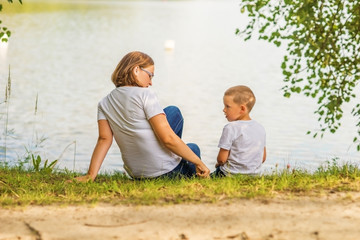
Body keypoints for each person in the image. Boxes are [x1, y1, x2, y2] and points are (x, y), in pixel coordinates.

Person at [75, 51, 210, 181]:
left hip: (137, 174)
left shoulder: (104, 103)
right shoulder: (146, 95)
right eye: (150, 75)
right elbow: (168, 139)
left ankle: (171, 157)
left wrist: (90, 175)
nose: (151, 82)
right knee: (192, 147)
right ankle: (179, 165)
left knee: (172, 112)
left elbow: (104, 139)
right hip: (166, 173)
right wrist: (199, 162)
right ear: (136, 70)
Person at [211, 85, 266, 177]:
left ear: (242, 109)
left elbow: (221, 159)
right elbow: (262, 158)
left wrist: (218, 164)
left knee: (205, 177)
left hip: (229, 174)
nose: (224, 110)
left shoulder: (230, 128)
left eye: (227, 106)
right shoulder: (260, 128)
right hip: (254, 175)